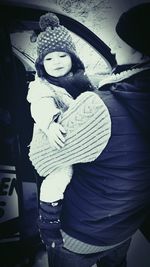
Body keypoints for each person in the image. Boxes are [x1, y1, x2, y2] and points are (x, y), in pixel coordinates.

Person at [37, 3, 150, 267]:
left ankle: (46, 228)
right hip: (124, 227)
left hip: (80, 237)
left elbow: (42, 158)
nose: (111, 49)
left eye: (120, 44)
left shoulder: (99, 107)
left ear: (141, 54)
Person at [27, 13, 111, 248]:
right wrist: (51, 122)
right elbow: (40, 106)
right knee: (60, 176)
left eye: (63, 56)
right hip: (54, 137)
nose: (57, 62)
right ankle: (48, 222)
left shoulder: (80, 79)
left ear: (73, 58)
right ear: (41, 64)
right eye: (49, 59)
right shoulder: (41, 86)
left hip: (77, 136)